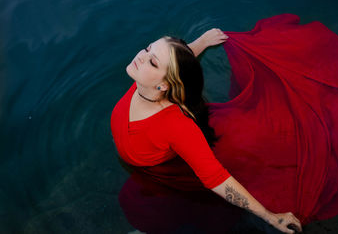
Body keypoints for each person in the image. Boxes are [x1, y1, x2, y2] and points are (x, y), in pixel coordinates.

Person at [111, 28, 303, 234]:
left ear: (163, 85)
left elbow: (217, 179)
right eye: (147, 49)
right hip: (140, 161)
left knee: (138, 205)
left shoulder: (175, 125)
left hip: (159, 173)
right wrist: (201, 42)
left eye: (152, 61)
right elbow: (177, 63)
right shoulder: (143, 81)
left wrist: (269, 216)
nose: (141, 57)